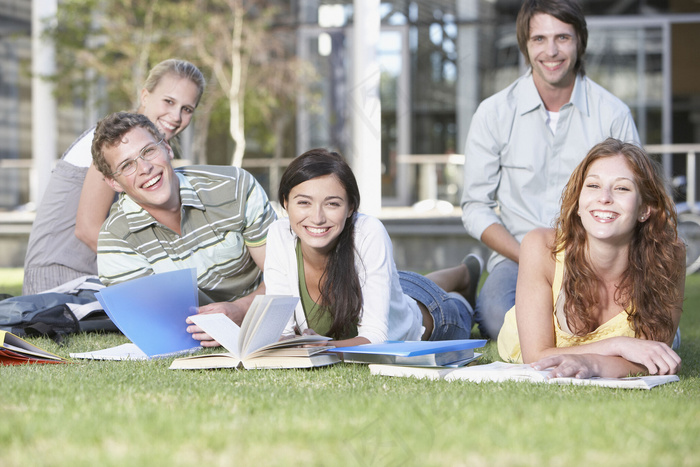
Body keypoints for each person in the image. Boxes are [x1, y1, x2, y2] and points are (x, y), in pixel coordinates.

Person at [460, 0, 641, 340]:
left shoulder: (613, 113)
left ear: (579, 42)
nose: (552, 51)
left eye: (563, 38)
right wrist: (531, 255)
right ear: (525, 46)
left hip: (595, 255)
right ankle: (467, 280)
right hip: (516, 256)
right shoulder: (494, 113)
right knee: (499, 318)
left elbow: (635, 193)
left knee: (637, 324)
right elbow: (474, 207)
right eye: (539, 39)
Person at [497, 139, 684, 378]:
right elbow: (536, 354)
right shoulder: (540, 245)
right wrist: (618, 345)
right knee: (480, 312)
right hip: (518, 331)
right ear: (578, 203)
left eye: (622, 188)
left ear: (644, 209)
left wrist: (593, 364)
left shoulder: (668, 254)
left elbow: (655, 359)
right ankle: (462, 281)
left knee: (667, 339)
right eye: (593, 186)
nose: (604, 198)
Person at [264, 148, 483, 347]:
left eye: (332, 204)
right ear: (285, 202)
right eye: (303, 202)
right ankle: (463, 274)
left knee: (462, 309)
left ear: (351, 207)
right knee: (405, 288)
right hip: (391, 290)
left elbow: (376, 337)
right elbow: (282, 331)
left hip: (431, 317)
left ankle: (466, 277)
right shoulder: (279, 233)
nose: (317, 217)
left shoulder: (368, 232)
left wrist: (325, 347)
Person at [92, 111, 276, 346]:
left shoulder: (235, 188)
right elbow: (158, 326)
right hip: (195, 335)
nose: (145, 168)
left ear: (167, 148)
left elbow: (283, 277)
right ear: (114, 183)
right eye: (127, 165)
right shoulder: (116, 239)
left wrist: (240, 311)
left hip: (266, 315)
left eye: (148, 151)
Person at [23, 59, 205, 295]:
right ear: (145, 96)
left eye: (187, 109)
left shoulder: (147, 149)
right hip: (61, 278)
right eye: (168, 101)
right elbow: (88, 230)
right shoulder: (116, 141)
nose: (176, 116)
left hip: (94, 276)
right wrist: (158, 276)